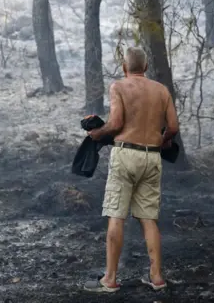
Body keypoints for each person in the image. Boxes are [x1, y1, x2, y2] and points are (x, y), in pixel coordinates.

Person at [83, 47, 179, 293]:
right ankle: (157, 277)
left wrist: (97, 133)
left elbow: (115, 124)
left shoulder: (118, 87)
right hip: (152, 157)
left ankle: (110, 279)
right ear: (145, 68)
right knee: (149, 219)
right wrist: (164, 140)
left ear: (125, 68)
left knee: (117, 216)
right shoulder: (161, 90)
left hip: (126, 155)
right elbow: (174, 127)